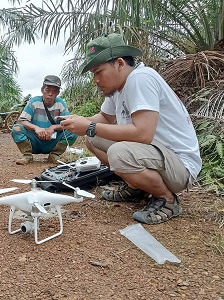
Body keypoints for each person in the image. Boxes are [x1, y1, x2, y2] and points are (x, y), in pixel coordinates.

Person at [60, 33, 202, 225]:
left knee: (118, 153)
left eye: (98, 71)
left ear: (119, 63)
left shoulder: (140, 78)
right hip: (156, 155)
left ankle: (167, 200)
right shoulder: (117, 90)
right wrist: (78, 122)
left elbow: (143, 134)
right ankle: (137, 187)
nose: (95, 80)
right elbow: (105, 118)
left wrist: (90, 126)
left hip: (180, 166)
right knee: (92, 139)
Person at [12, 75, 77, 165]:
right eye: (47, 90)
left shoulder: (61, 104)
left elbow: (68, 123)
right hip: (35, 139)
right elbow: (22, 120)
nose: (50, 94)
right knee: (17, 128)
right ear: (42, 90)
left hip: (52, 138)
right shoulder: (34, 102)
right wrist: (36, 128)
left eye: (54, 91)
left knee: (73, 130)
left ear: (58, 93)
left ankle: (54, 155)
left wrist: (53, 127)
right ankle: (27, 155)